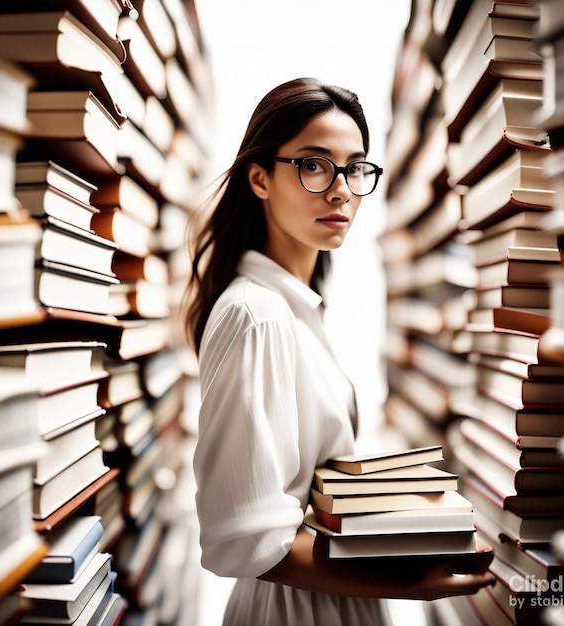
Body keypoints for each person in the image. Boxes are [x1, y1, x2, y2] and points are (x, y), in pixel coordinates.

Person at [185, 77, 495, 626]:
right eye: (313, 164)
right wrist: (406, 583)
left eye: (355, 167)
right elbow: (242, 536)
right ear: (259, 178)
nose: (340, 190)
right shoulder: (256, 316)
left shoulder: (295, 307)